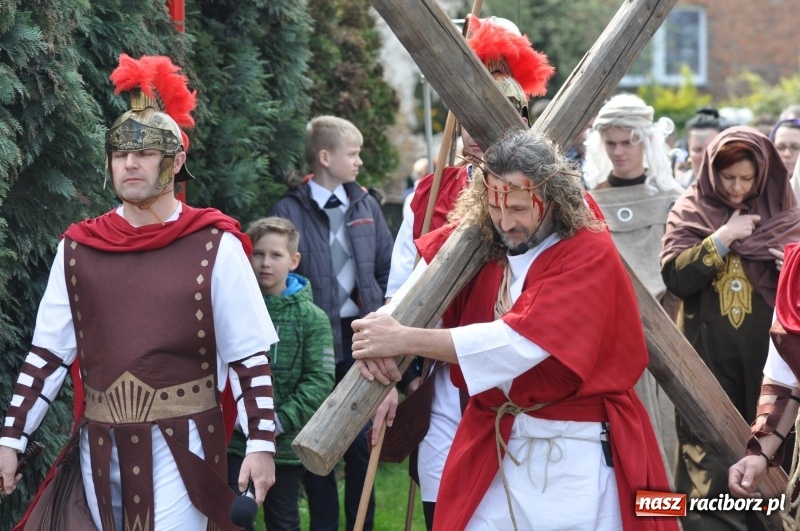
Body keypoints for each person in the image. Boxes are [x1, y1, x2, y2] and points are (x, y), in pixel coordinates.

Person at [0, 54, 279, 530]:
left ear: (176, 161)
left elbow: (247, 356)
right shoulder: (79, 247)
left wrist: (261, 444)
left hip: (186, 443)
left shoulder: (215, 244)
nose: (130, 163)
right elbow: (47, 356)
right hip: (99, 444)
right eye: (120, 154)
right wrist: (11, 439)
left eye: (146, 153)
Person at [353, 128, 675, 531]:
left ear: (553, 198)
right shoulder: (482, 236)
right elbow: (419, 290)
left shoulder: (588, 249)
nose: (506, 222)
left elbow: (518, 342)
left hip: (575, 452)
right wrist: (383, 329)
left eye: (520, 208)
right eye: (495, 207)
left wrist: (403, 339)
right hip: (497, 441)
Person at [381, 16, 554, 529]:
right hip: (444, 387)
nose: (476, 136)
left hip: (526, 388)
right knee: (446, 509)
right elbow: (398, 298)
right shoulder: (429, 194)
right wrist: (392, 376)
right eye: (468, 121)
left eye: (489, 122)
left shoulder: (550, 195)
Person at [661, 125, 800, 531]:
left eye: (746, 178)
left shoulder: (784, 216)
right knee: (708, 461)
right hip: (708, 365)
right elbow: (676, 278)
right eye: (727, 177)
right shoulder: (691, 210)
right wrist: (721, 239)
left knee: (771, 454)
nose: (737, 188)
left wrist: (790, 270)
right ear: (710, 172)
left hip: (770, 372)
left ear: (763, 174)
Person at [271, 115, 393, 531]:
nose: (359, 162)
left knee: (362, 442)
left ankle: (361, 525)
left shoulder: (366, 205)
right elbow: (280, 276)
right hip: (316, 345)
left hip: (362, 340)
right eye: (352, 154)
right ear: (325, 157)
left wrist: (383, 319)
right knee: (319, 442)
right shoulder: (290, 209)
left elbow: (385, 270)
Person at [583, 93, 681, 473]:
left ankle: (666, 508)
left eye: (628, 142)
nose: (619, 152)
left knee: (669, 439)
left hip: (669, 333)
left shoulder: (674, 200)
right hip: (611, 339)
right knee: (623, 447)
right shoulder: (588, 202)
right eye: (611, 143)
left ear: (646, 140)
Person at [227, 217, 335, 531]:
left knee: (283, 521)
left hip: (285, 445)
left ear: (294, 260)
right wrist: (240, 420)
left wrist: (277, 421)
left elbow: (320, 380)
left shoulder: (312, 318)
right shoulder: (231, 309)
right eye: (258, 254)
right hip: (235, 441)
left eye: (276, 255)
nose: (265, 263)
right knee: (233, 518)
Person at [676, 106, 726, 188]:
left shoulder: (736, 187)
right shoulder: (678, 187)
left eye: (711, 149)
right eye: (697, 150)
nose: (704, 156)